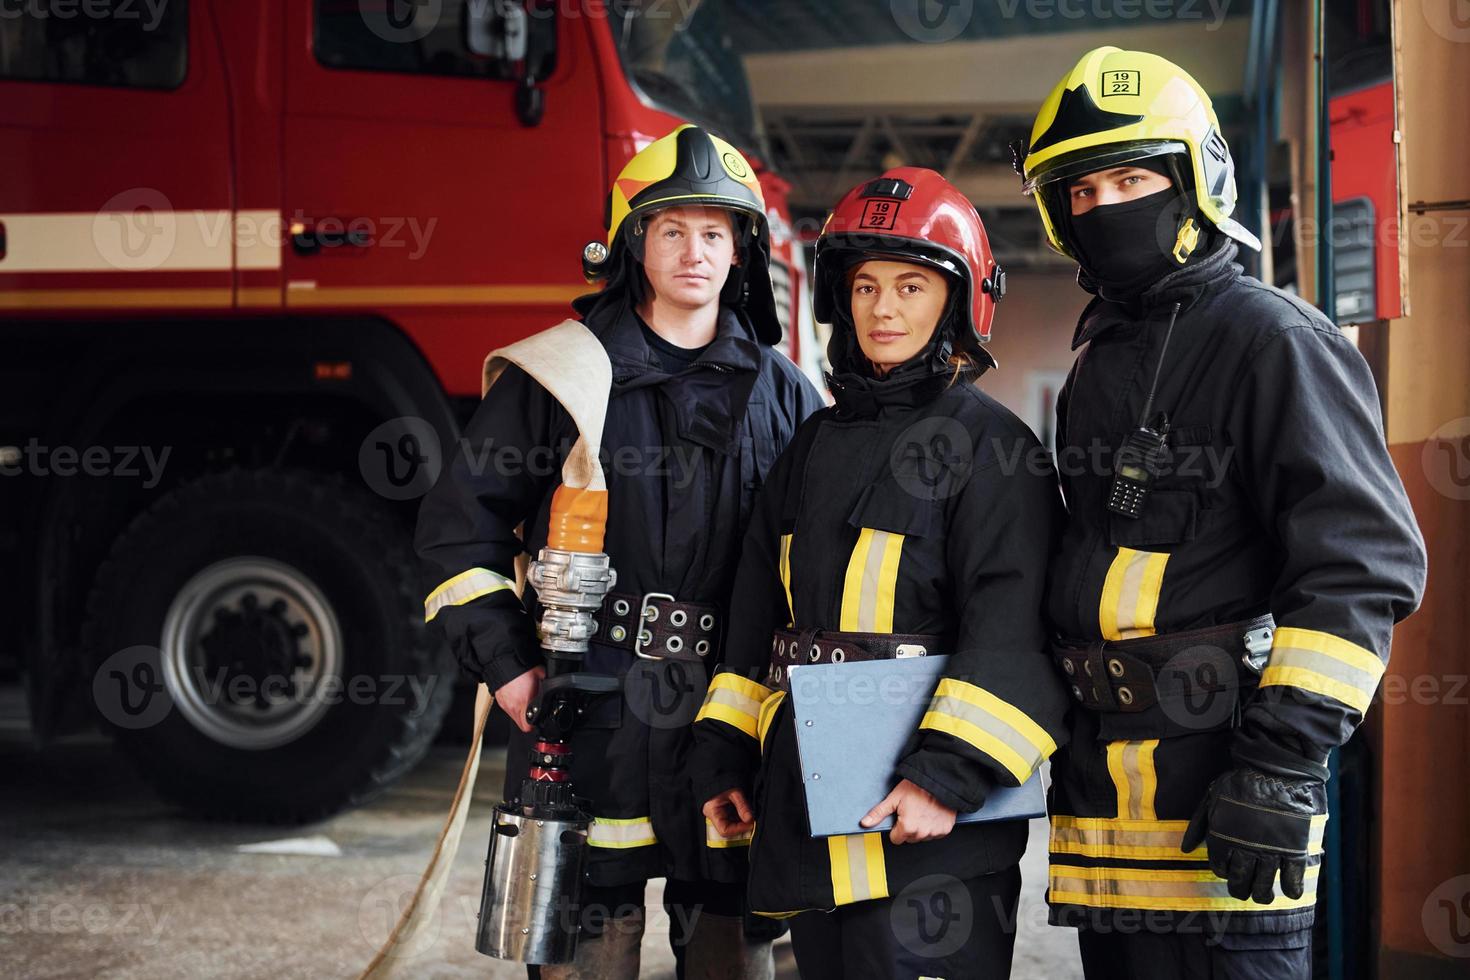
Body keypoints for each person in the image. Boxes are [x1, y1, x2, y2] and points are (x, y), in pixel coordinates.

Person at [1015, 46, 1427, 979]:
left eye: (1130, 177)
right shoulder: (1096, 361)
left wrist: (1282, 762)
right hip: (1105, 823)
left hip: (1231, 798)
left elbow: (1360, 566)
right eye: (1078, 193)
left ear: (1197, 180)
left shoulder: (1274, 339)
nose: (1103, 208)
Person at [415, 124, 825, 979]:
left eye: (715, 232)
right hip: (584, 710)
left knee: (731, 948)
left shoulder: (785, 394)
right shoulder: (561, 375)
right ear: (633, 243)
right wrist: (512, 670)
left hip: (728, 720)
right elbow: (461, 532)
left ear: (742, 249)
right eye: (671, 229)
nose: (694, 251)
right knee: (585, 949)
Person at [692, 167, 1069, 980]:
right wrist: (725, 755)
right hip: (813, 822)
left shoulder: (995, 450)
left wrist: (946, 778)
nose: (883, 308)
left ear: (959, 301)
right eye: (863, 286)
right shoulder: (811, 447)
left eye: (910, 285)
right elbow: (757, 619)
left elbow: (1014, 631)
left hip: (937, 840)